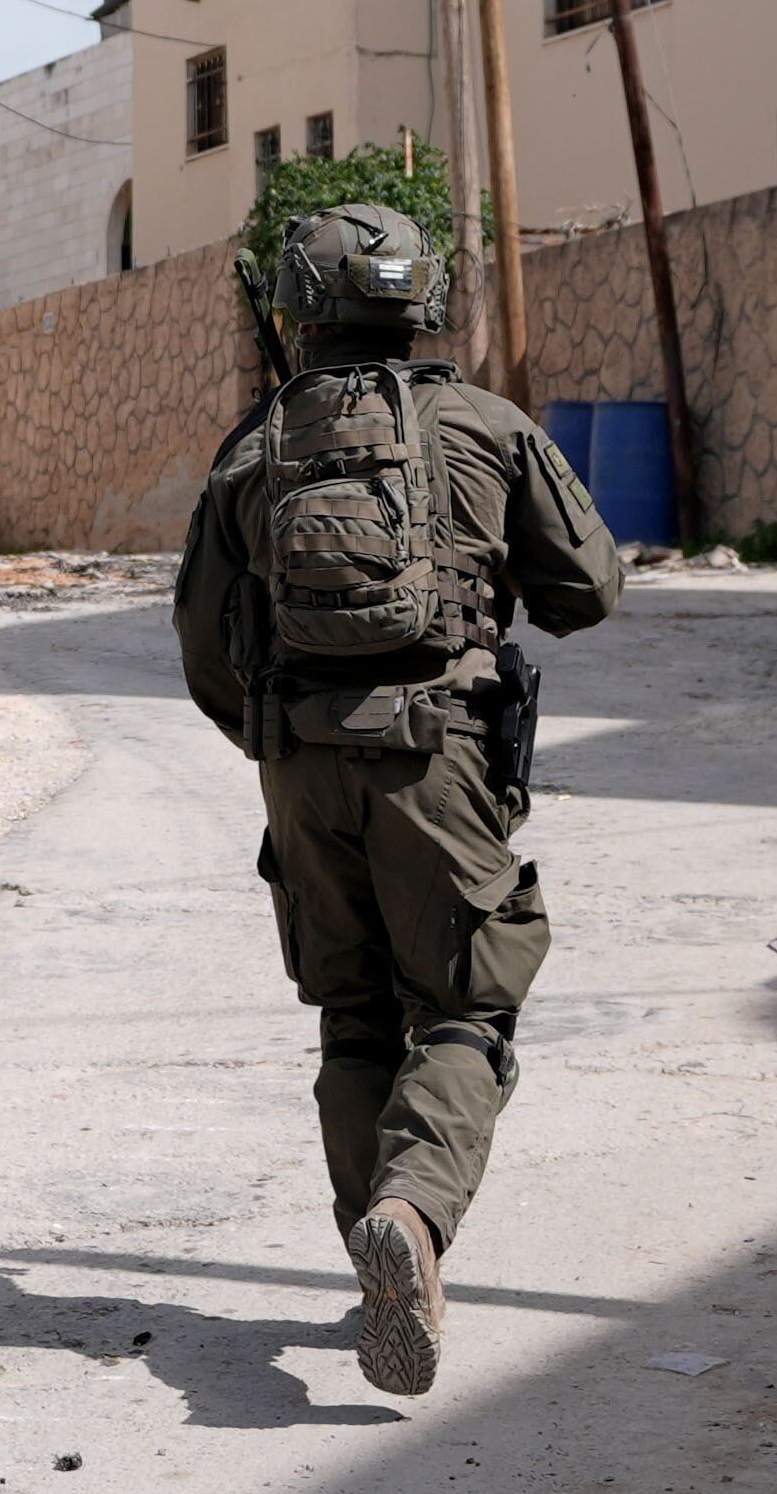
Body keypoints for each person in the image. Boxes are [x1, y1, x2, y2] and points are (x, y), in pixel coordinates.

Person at [173, 201, 623, 1396]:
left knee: (355, 1018)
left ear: (297, 313)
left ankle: (379, 1249)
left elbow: (202, 648)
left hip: (299, 768)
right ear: (420, 302)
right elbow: (591, 589)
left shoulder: (253, 444)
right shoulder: (484, 425)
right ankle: (414, 1222)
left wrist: (282, 744)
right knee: (470, 1009)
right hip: (443, 761)